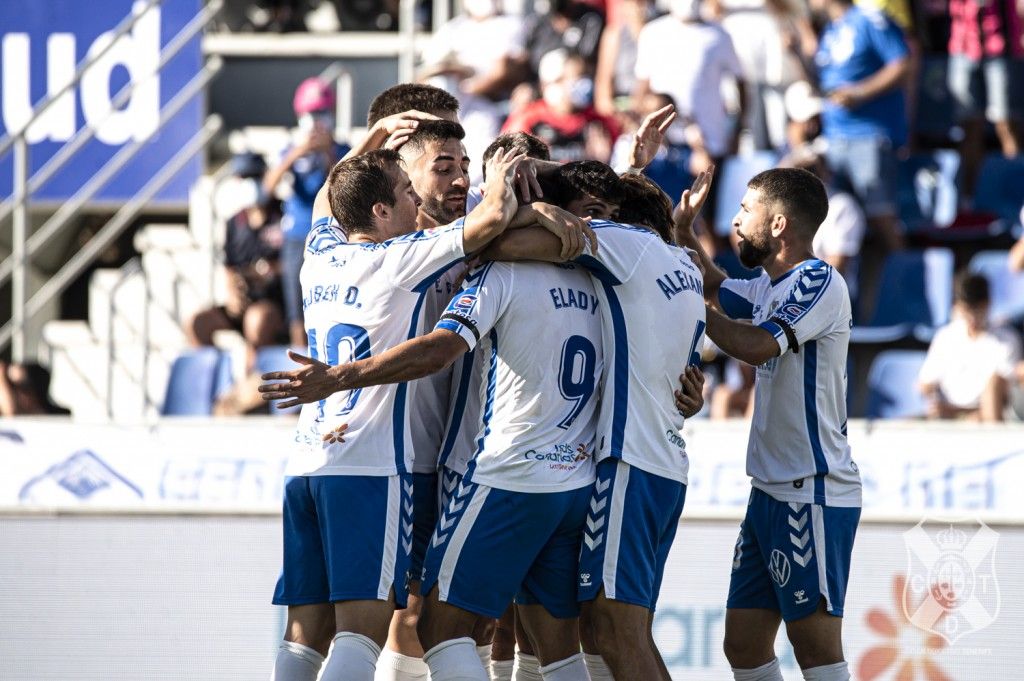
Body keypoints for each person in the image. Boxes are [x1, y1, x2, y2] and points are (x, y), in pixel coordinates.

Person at [263, 146, 538, 681]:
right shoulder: (398, 257)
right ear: (381, 213)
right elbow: (488, 220)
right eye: (406, 193)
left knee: (303, 638)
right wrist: (505, 175)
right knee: (360, 636)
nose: (417, 200)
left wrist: (377, 136)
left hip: (306, 466)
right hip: (370, 467)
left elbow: (326, 199)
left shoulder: (318, 253)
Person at [483, 166, 707, 681]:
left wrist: (540, 205)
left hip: (628, 463)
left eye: (601, 214)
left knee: (612, 630)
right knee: (618, 630)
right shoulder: (684, 266)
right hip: (663, 463)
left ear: (622, 222)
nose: (589, 222)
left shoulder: (625, 244)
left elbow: (490, 244)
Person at [675, 167, 862, 681]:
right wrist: (682, 232)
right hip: (770, 491)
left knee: (817, 649)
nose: (735, 221)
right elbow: (712, 283)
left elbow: (754, 343)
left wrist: (685, 297)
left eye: (744, 210)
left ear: (778, 224)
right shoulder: (768, 285)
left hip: (812, 490)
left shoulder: (818, 281)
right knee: (744, 643)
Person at [811, 0, 909, 254]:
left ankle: (906, 281)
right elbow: (824, 81)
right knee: (836, 221)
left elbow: (901, 64)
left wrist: (859, 93)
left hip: (869, 135)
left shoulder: (870, 19)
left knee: (881, 217)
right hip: (834, 138)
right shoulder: (830, 30)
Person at [264, 78, 350, 347]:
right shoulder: (290, 151)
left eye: (322, 114)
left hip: (334, 235)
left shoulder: (344, 149)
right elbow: (268, 187)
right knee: (297, 310)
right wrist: (297, 153)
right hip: (297, 237)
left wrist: (327, 154)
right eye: (311, 115)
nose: (317, 121)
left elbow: (343, 186)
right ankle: (300, 367)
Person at [187, 152, 286, 368]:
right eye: (243, 178)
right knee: (198, 323)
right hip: (242, 303)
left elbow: (297, 262)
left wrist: (268, 271)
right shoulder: (235, 221)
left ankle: (254, 386)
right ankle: (213, 383)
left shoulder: (284, 214)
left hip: (275, 305)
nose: (249, 184)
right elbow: (229, 265)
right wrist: (233, 294)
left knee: (257, 320)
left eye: (254, 177)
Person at [633, 0, 746, 174]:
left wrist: (736, 132)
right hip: (663, 143)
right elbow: (641, 89)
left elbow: (741, 82)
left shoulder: (719, 35)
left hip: (709, 142)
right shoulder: (652, 33)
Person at [419, 0, 528, 178]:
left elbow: (505, 72)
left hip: (492, 106)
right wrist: (449, 75)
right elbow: (426, 73)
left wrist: (467, 88)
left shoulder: (511, 24)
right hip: (453, 109)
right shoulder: (452, 28)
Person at [918, 273, 1021, 423]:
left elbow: (1002, 399)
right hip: (945, 416)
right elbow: (925, 383)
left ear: (988, 304)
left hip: (983, 418)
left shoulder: (1006, 340)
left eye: (977, 310)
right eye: (966, 310)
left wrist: (954, 411)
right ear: (957, 307)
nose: (972, 317)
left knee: (976, 419)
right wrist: (933, 400)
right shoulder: (946, 336)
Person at [948, 0, 1022, 196]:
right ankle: (969, 200)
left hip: (1000, 44)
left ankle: (1014, 196)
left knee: (1005, 124)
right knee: (969, 126)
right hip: (963, 45)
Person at [502, 50, 621, 163]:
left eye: (585, 75)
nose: (583, 82)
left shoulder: (599, 122)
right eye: (576, 76)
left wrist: (603, 162)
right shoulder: (529, 118)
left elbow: (618, 159)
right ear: (556, 82)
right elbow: (506, 158)